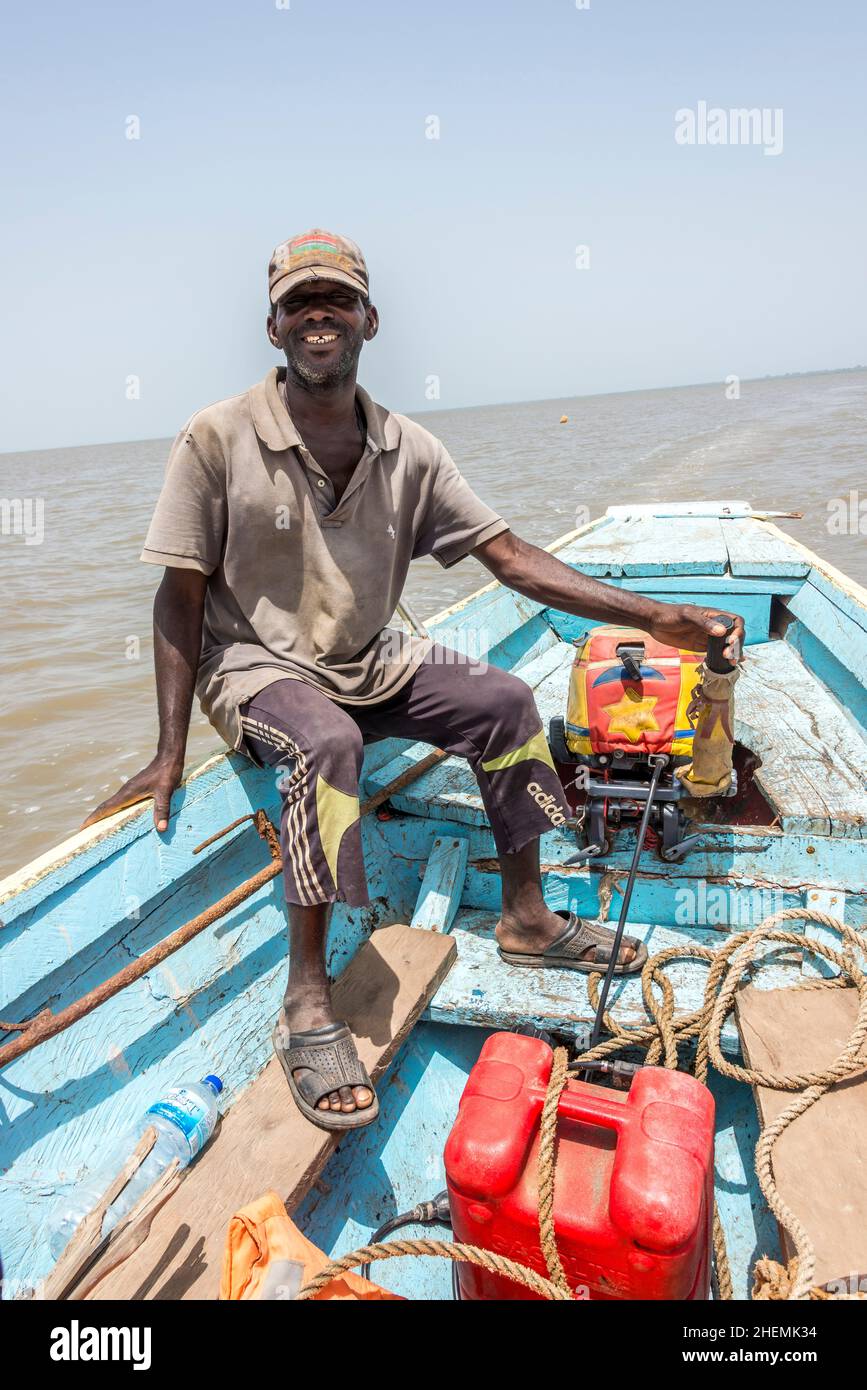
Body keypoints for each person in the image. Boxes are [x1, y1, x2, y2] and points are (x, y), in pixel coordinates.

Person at [83, 229, 744, 1130]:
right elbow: (178, 595)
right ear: (272, 327)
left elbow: (509, 559)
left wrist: (650, 617)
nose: (320, 315)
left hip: (372, 655)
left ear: (369, 321)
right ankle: (307, 1003)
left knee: (506, 703)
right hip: (255, 665)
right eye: (300, 303)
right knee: (326, 743)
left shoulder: (408, 447)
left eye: (338, 300)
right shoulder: (218, 436)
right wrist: (167, 753)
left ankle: (527, 919)